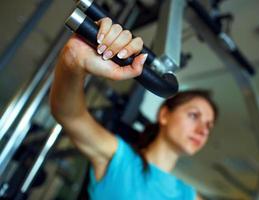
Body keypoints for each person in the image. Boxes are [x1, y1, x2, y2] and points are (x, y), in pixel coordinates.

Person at [50, 17, 218, 200]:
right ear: (164, 115)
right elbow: (69, 115)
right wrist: (73, 59)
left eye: (209, 126)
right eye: (194, 115)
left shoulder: (189, 195)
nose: (203, 131)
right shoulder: (118, 159)